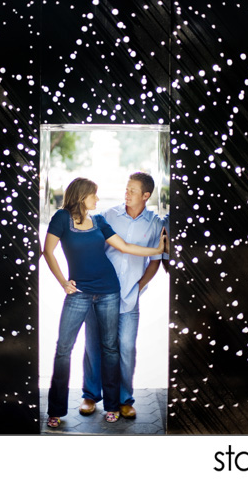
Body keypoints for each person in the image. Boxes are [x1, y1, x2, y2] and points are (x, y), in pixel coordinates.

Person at [43, 177, 167, 428]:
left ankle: (112, 406)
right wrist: (62, 282)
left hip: (109, 290)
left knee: (112, 348)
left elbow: (125, 247)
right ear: (81, 196)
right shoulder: (61, 218)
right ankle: (56, 409)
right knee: (64, 349)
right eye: (94, 195)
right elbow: (48, 251)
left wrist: (158, 250)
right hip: (79, 293)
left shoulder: (99, 221)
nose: (97, 200)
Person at [80, 173, 166, 419]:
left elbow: (154, 261)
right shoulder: (107, 216)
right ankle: (90, 395)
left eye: (132, 190)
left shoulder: (154, 223)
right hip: (98, 294)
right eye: (126, 189)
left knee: (126, 348)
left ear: (146, 195)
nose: (126, 194)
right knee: (94, 346)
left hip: (129, 298)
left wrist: (138, 288)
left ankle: (124, 399)